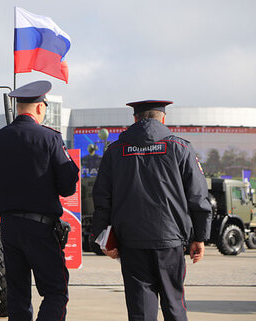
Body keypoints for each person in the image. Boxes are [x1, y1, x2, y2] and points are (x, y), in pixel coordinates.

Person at [92, 100, 212, 321]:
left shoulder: (115, 151)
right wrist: (200, 237)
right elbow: (198, 196)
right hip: (170, 241)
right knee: (174, 305)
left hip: (131, 242)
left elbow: (102, 198)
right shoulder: (181, 148)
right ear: (163, 119)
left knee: (141, 310)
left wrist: (103, 238)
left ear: (135, 119)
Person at [0, 80, 79, 321]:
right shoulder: (50, 139)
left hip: (9, 226)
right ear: (41, 108)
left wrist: (6, 197)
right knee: (55, 291)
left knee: (18, 295)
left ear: (18, 107)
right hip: (41, 227)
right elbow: (67, 186)